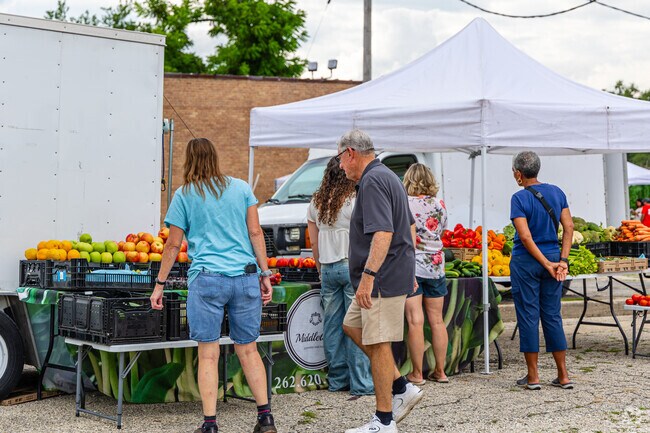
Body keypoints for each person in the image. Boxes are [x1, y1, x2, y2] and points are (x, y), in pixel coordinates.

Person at [150, 138, 276, 433]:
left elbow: (172, 246)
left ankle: (210, 424)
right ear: (216, 157)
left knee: (208, 353)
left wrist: (160, 284)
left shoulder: (184, 195)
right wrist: (265, 272)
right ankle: (265, 418)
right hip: (245, 278)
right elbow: (256, 232)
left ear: (188, 161)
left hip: (207, 280)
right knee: (249, 350)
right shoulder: (242, 188)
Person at [337, 130, 423, 433]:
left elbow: (384, 232)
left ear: (350, 153)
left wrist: (368, 278)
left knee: (378, 342)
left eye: (340, 159)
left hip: (380, 278)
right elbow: (409, 228)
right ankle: (400, 385)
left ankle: (384, 420)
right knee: (352, 326)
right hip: (390, 273)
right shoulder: (386, 175)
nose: (340, 167)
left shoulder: (373, 180)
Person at [307, 158, 374, 396]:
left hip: (327, 268)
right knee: (355, 324)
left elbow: (313, 242)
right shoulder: (354, 200)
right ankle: (361, 383)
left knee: (332, 326)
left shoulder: (316, 202)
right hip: (351, 267)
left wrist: (319, 266)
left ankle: (337, 380)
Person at [510, 150, 574, 391]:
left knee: (528, 314)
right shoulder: (557, 192)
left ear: (518, 173)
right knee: (552, 314)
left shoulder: (519, 198)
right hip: (554, 258)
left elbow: (525, 237)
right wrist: (562, 260)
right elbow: (568, 227)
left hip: (526, 262)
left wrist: (544, 263)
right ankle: (563, 375)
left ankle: (534, 376)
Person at [402, 163, 449, 385]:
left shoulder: (405, 204)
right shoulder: (439, 204)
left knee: (415, 321)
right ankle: (440, 371)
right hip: (436, 265)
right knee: (438, 321)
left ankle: (417, 373)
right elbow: (444, 229)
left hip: (412, 266)